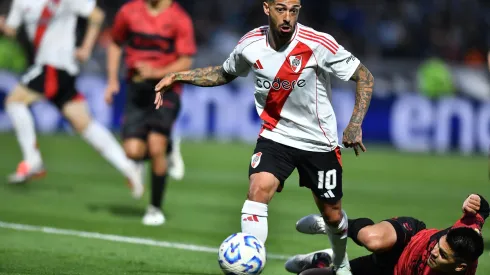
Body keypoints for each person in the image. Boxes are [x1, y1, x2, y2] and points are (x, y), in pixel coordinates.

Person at [153, 0, 374, 273]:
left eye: (294, 10)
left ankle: (340, 262)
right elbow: (224, 73)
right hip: (275, 135)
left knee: (332, 214)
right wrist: (177, 75)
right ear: (266, 8)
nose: (288, 17)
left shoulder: (318, 43)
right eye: (281, 9)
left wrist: (355, 123)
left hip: (318, 141)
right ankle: (250, 266)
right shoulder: (250, 44)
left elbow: (364, 75)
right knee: (257, 192)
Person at [1, 0, 144, 198]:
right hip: (54, 67)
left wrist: (86, 47)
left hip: (55, 64)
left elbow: (97, 15)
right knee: (84, 124)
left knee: (14, 101)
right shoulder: (20, 1)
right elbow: (11, 29)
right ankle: (130, 167)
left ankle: (32, 160)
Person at [105, 0, 196, 226]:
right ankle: (170, 146)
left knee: (156, 146)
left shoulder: (179, 18)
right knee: (132, 151)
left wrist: (156, 72)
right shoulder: (129, 11)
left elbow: (185, 60)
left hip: (166, 90)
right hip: (136, 90)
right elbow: (115, 43)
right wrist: (112, 79)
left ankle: (155, 208)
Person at [285, 194, 488, 275]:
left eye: (443, 255)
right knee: (372, 240)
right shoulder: (467, 232)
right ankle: (334, 225)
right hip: (409, 238)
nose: (434, 253)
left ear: (460, 267)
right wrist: (474, 200)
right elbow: (482, 208)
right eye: (439, 245)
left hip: (390, 271)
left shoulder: (465, 260)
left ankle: (324, 259)